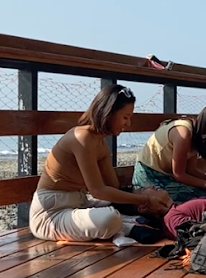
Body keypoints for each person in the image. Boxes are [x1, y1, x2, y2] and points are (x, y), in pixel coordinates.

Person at [29, 85, 170, 242]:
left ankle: (132, 224)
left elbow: (112, 188)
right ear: (108, 113)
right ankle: (127, 225)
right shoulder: (81, 137)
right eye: (125, 117)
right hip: (51, 214)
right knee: (109, 219)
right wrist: (145, 200)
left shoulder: (101, 144)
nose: (128, 123)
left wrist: (146, 199)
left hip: (79, 204)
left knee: (112, 208)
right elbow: (98, 191)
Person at [132, 102, 206, 204]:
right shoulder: (183, 133)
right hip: (148, 174)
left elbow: (190, 170)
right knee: (195, 199)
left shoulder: (197, 135)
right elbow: (179, 174)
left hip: (167, 175)